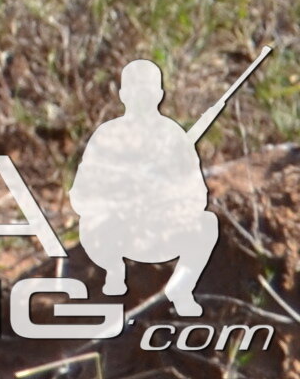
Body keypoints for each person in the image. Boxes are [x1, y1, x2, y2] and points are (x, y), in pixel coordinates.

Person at [70, 58, 222, 315]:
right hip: (115, 233)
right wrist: (117, 202)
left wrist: (167, 201)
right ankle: (114, 272)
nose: (141, 97)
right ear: (122, 94)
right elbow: (81, 196)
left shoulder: (174, 136)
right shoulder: (107, 135)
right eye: (135, 90)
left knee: (207, 224)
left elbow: (198, 195)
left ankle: (181, 289)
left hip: (160, 232)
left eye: (147, 90)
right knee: (91, 224)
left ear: (159, 94)